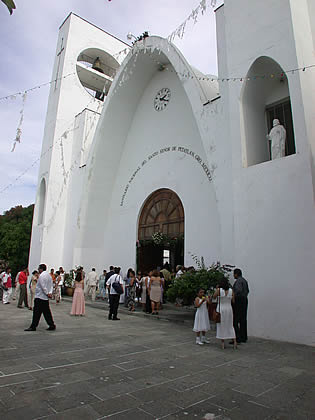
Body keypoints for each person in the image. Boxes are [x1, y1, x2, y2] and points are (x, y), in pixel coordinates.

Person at [24, 263, 56, 331]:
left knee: (36, 313)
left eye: (39, 268)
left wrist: (47, 293)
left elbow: (42, 286)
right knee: (47, 312)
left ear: (41, 269)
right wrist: (50, 292)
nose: (38, 270)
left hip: (40, 296)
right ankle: (51, 324)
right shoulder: (49, 275)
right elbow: (51, 285)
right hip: (45, 298)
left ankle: (33, 326)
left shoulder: (41, 276)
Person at [213, 278, 237, 350]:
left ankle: (223, 343)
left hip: (221, 309)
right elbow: (233, 301)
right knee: (230, 325)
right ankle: (235, 341)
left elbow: (214, 297)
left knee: (221, 325)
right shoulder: (231, 291)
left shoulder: (218, 290)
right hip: (229, 309)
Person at [232, 268, 249, 344]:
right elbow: (247, 291)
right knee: (243, 319)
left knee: (236, 319)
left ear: (236, 274)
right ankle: (243, 337)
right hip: (244, 299)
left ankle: (237, 337)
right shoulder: (244, 281)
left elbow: (238, 290)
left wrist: (233, 296)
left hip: (239, 301)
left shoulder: (238, 281)